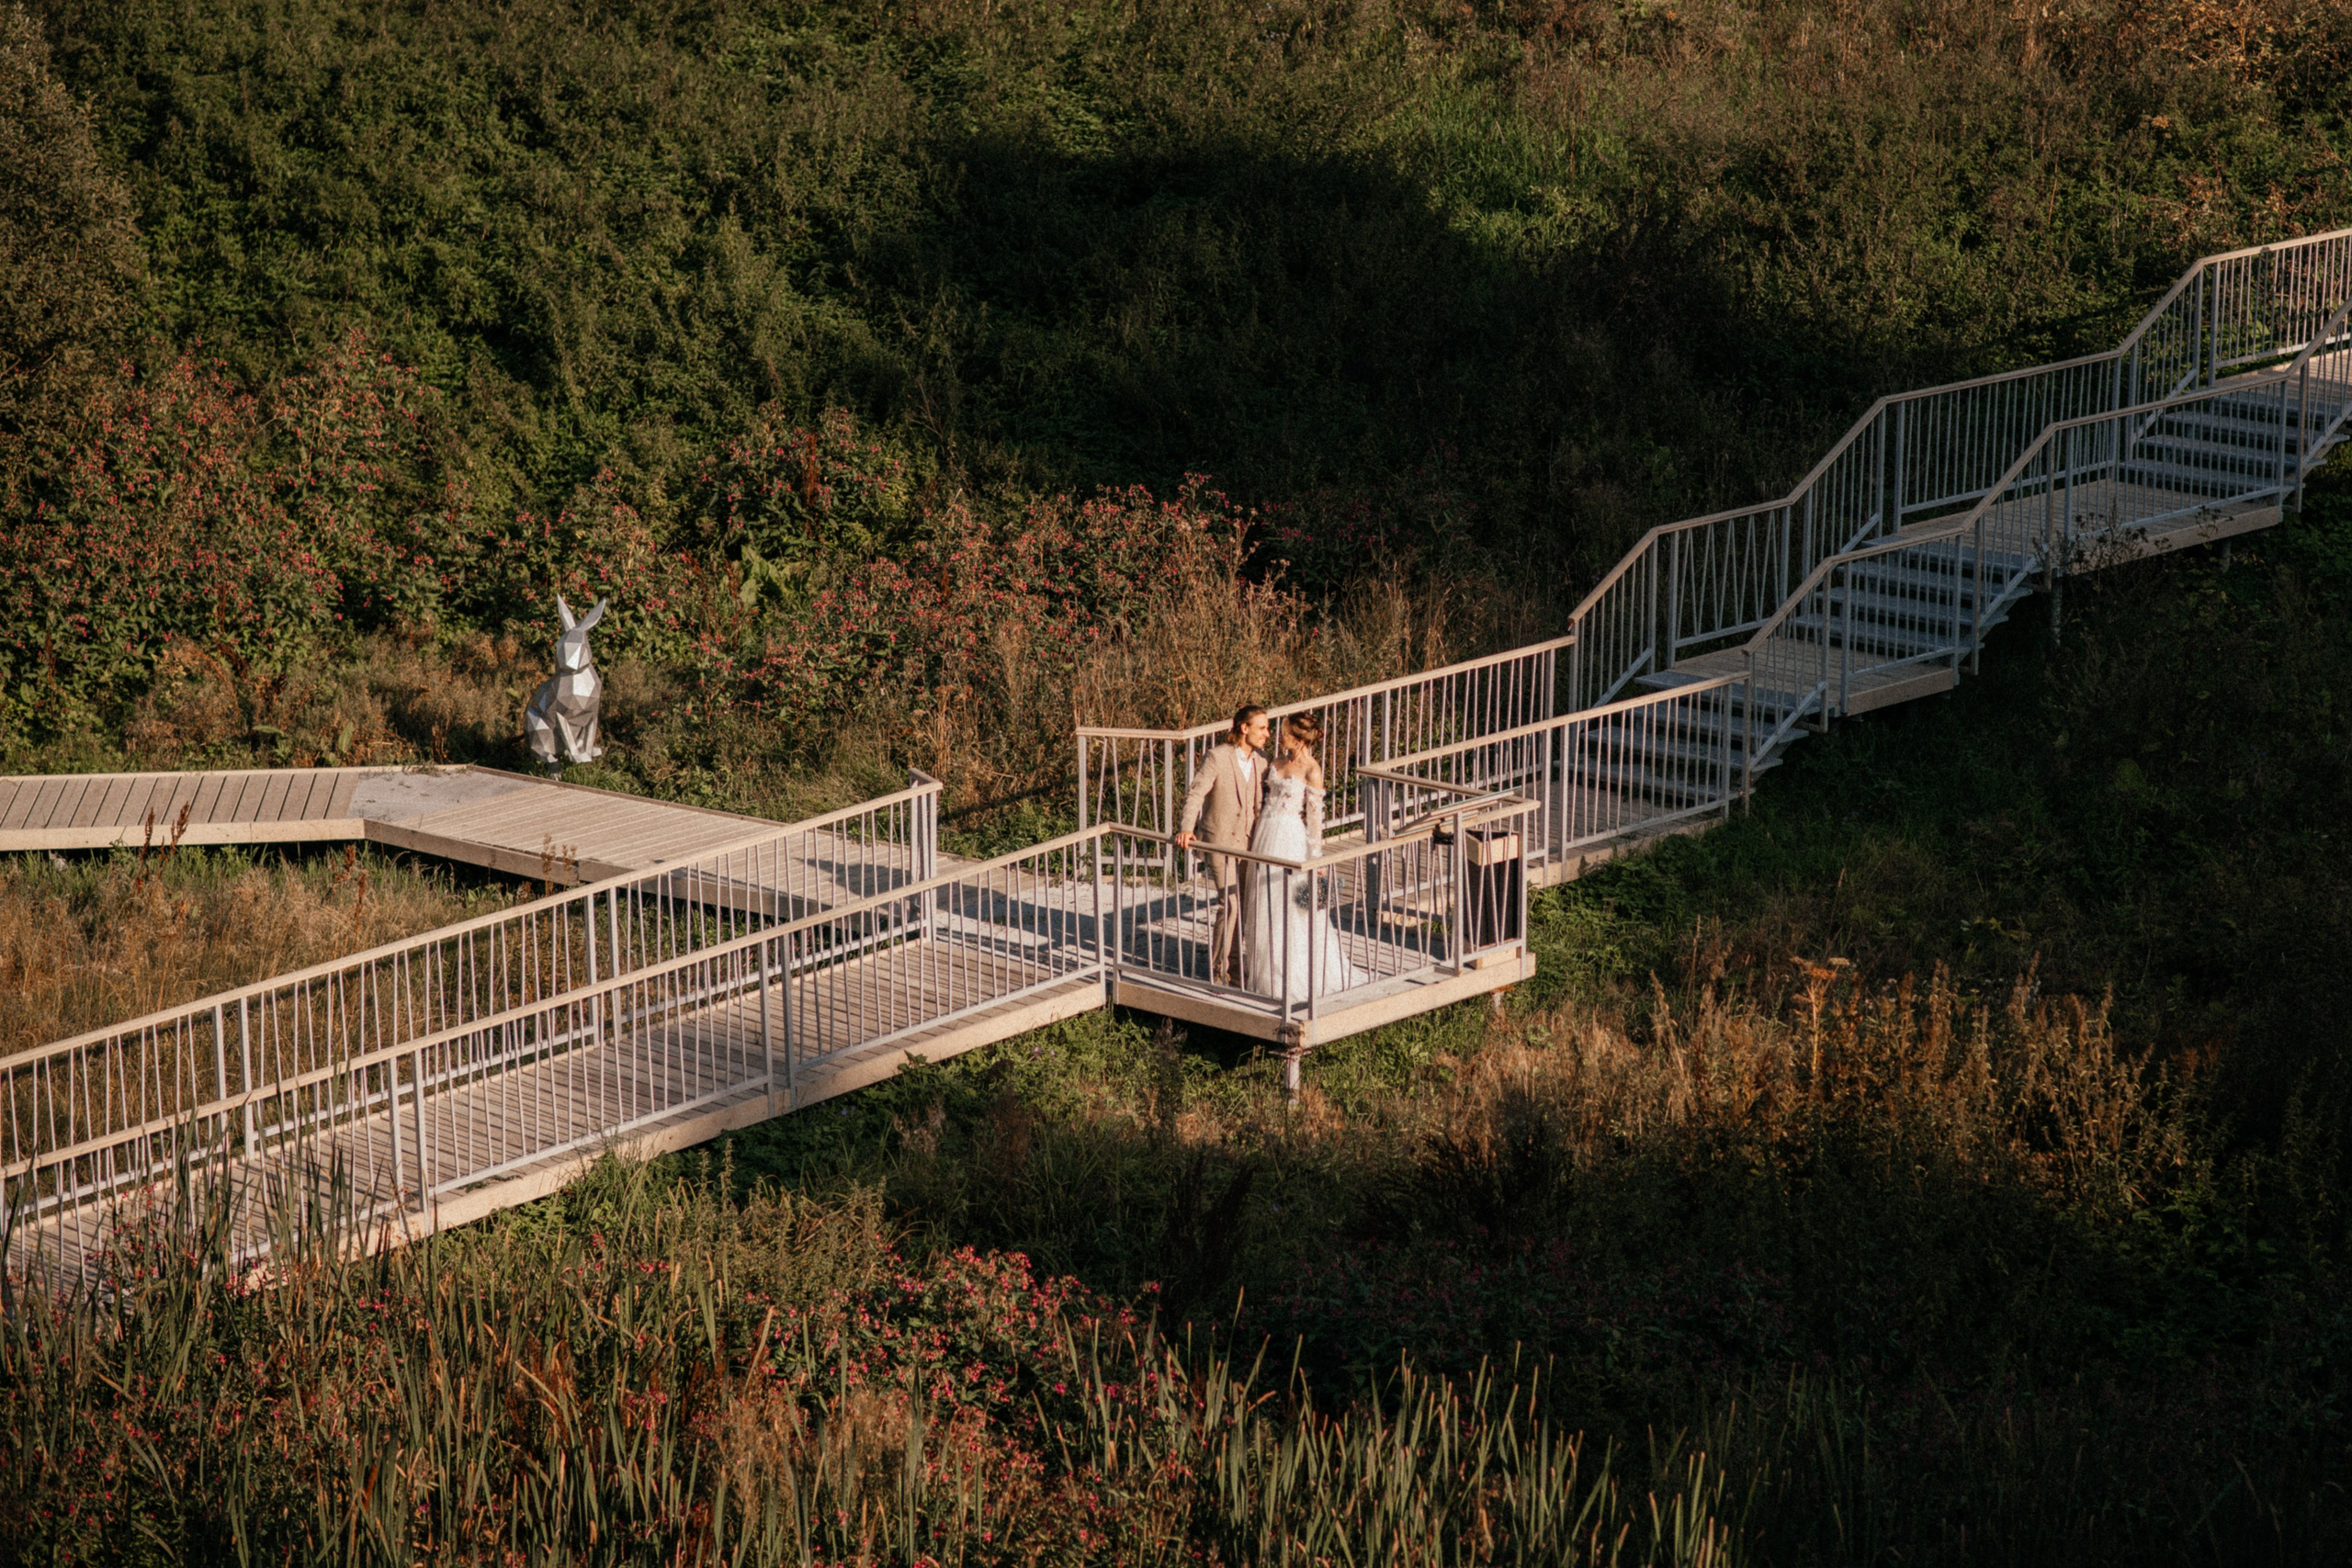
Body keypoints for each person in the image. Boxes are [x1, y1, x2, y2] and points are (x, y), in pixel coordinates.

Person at [1241, 711, 1366, 1005]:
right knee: (1265, 903)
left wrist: (1316, 858)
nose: (1279, 736)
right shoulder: (1277, 762)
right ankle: (1266, 974)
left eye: (1284, 732)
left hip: (1289, 837)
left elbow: (1314, 817)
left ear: (1298, 738)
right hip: (1265, 834)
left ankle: (1295, 973)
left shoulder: (1312, 769)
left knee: (1295, 908)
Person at [1175, 705, 1271, 986]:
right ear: (1244, 728)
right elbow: (1196, 794)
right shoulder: (1217, 756)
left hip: (1250, 844)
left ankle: (1236, 967)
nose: (1267, 733)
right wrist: (1186, 827)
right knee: (1229, 905)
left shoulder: (1263, 761)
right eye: (1262, 727)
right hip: (1219, 840)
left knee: (1244, 905)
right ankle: (1218, 973)